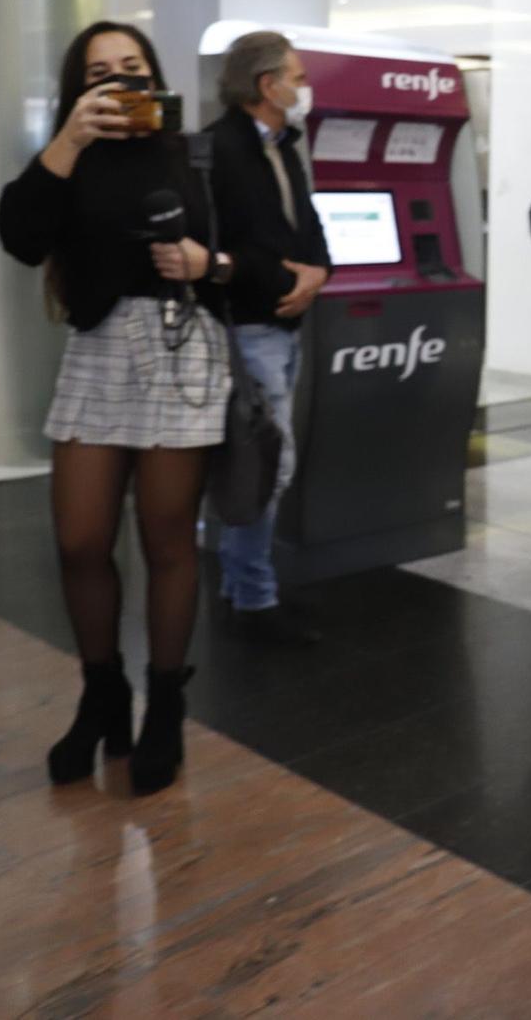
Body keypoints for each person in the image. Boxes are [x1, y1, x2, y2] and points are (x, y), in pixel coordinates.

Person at [0, 21, 232, 797]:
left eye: (132, 67)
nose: (119, 83)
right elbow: (20, 236)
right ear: (78, 88)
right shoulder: (68, 158)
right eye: (100, 73)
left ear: (155, 75)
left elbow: (272, 255)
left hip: (177, 348)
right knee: (80, 539)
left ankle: (165, 703)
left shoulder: (195, 152)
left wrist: (211, 262)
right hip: (98, 351)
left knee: (167, 539)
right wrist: (66, 140)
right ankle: (104, 696)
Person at [204, 32, 331, 645]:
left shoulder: (287, 145)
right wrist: (292, 277)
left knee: (263, 460)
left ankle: (239, 584)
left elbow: (306, 224)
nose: (303, 89)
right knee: (265, 465)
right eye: (297, 77)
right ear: (265, 84)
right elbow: (225, 247)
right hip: (250, 327)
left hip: (287, 322)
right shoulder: (219, 149)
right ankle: (254, 595)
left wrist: (319, 272)